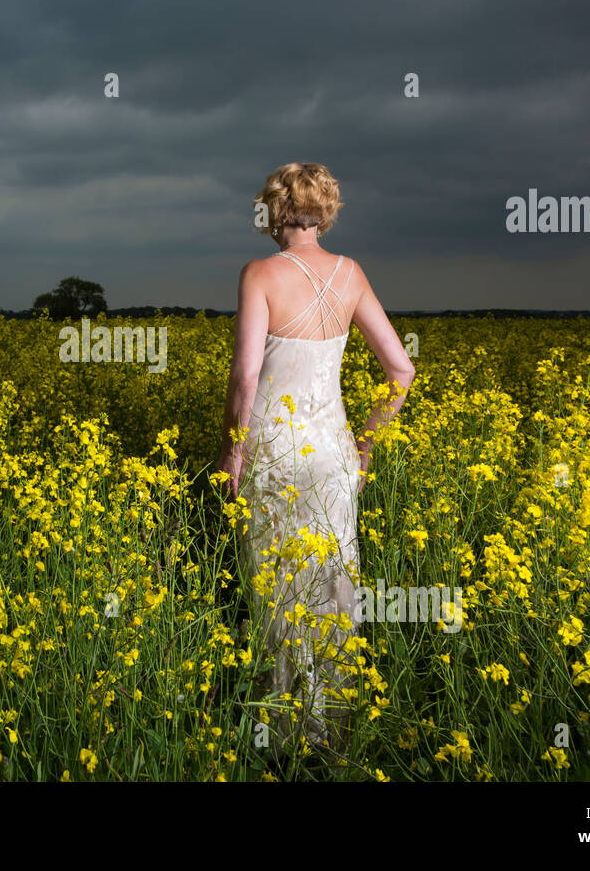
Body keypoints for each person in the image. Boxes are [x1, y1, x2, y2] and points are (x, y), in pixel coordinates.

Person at [217, 162, 415, 757]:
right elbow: (401, 372)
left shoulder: (259, 275)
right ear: (325, 211)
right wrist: (365, 445)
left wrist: (232, 451)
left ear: (275, 212)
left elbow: (246, 375)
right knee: (332, 588)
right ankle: (332, 738)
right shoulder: (352, 274)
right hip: (333, 457)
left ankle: (279, 740)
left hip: (274, 453)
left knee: (276, 590)